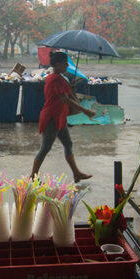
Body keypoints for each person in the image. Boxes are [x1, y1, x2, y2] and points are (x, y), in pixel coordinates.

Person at [31, 51, 95, 182]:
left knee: (68, 143)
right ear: (58, 64)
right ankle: (33, 176)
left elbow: (68, 95)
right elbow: (65, 99)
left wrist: (71, 89)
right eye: (65, 63)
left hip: (60, 117)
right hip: (51, 118)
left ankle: (76, 173)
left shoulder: (59, 79)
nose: (67, 65)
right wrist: (85, 111)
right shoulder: (54, 79)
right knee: (45, 148)